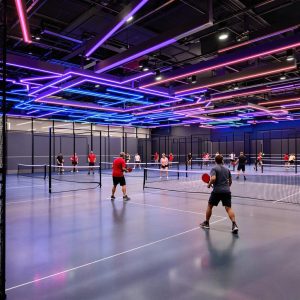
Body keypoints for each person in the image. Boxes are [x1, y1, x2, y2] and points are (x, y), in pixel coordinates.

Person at [200, 155, 238, 234]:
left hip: (217, 191)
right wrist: (226, 187)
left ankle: (207, 223)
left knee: (210, 206)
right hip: (226, 191)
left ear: (215, 161)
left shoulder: (214, 168)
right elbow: (230, 182)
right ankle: (234, 225)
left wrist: (209, 184)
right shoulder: (227, 169)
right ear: (222, 161)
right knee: (228, 208)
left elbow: (213, 178)